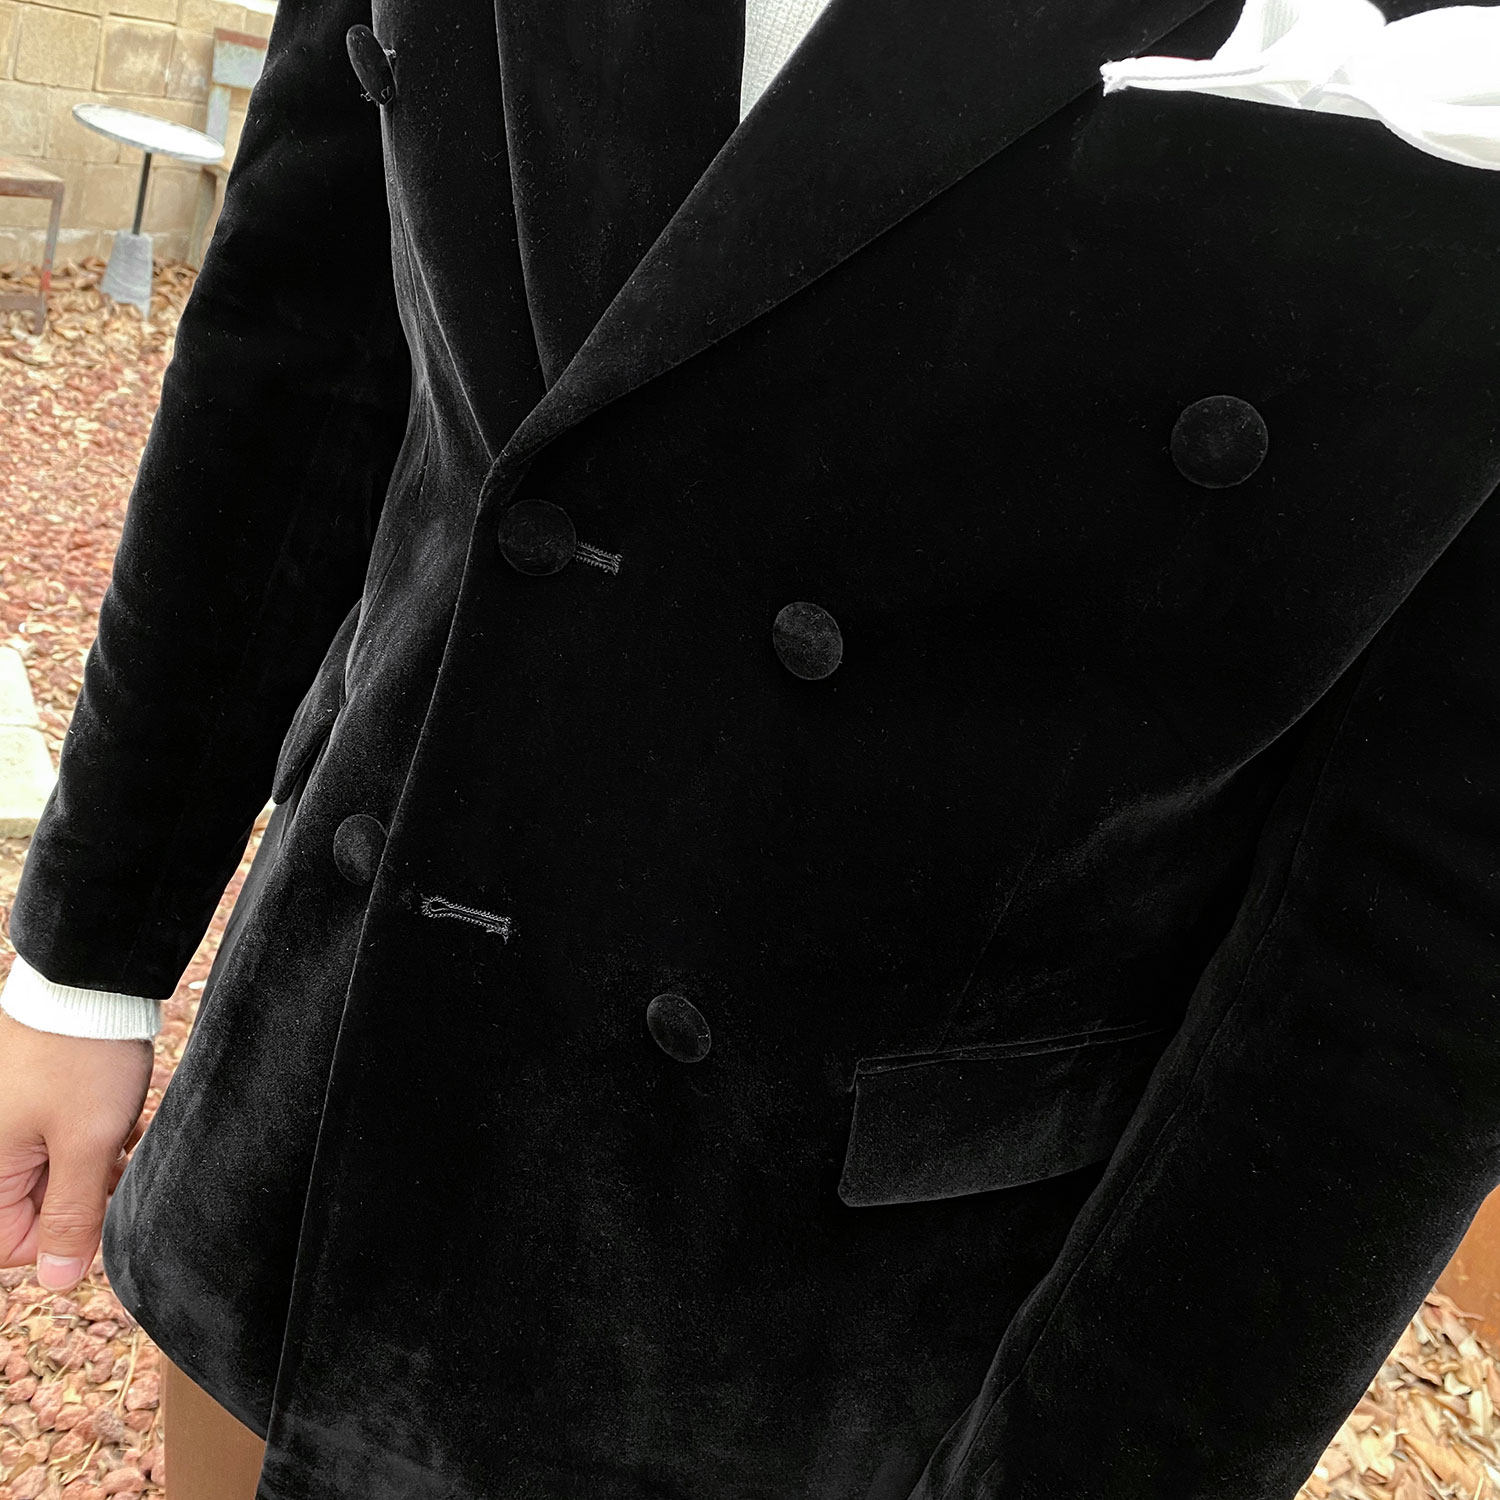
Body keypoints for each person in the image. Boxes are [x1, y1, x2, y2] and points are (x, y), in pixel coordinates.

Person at [3, 0, 1500, 1494]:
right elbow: (306, 333)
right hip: (317, 1094)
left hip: (804, 1332)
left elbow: (1423, 911)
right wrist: (88, 954)